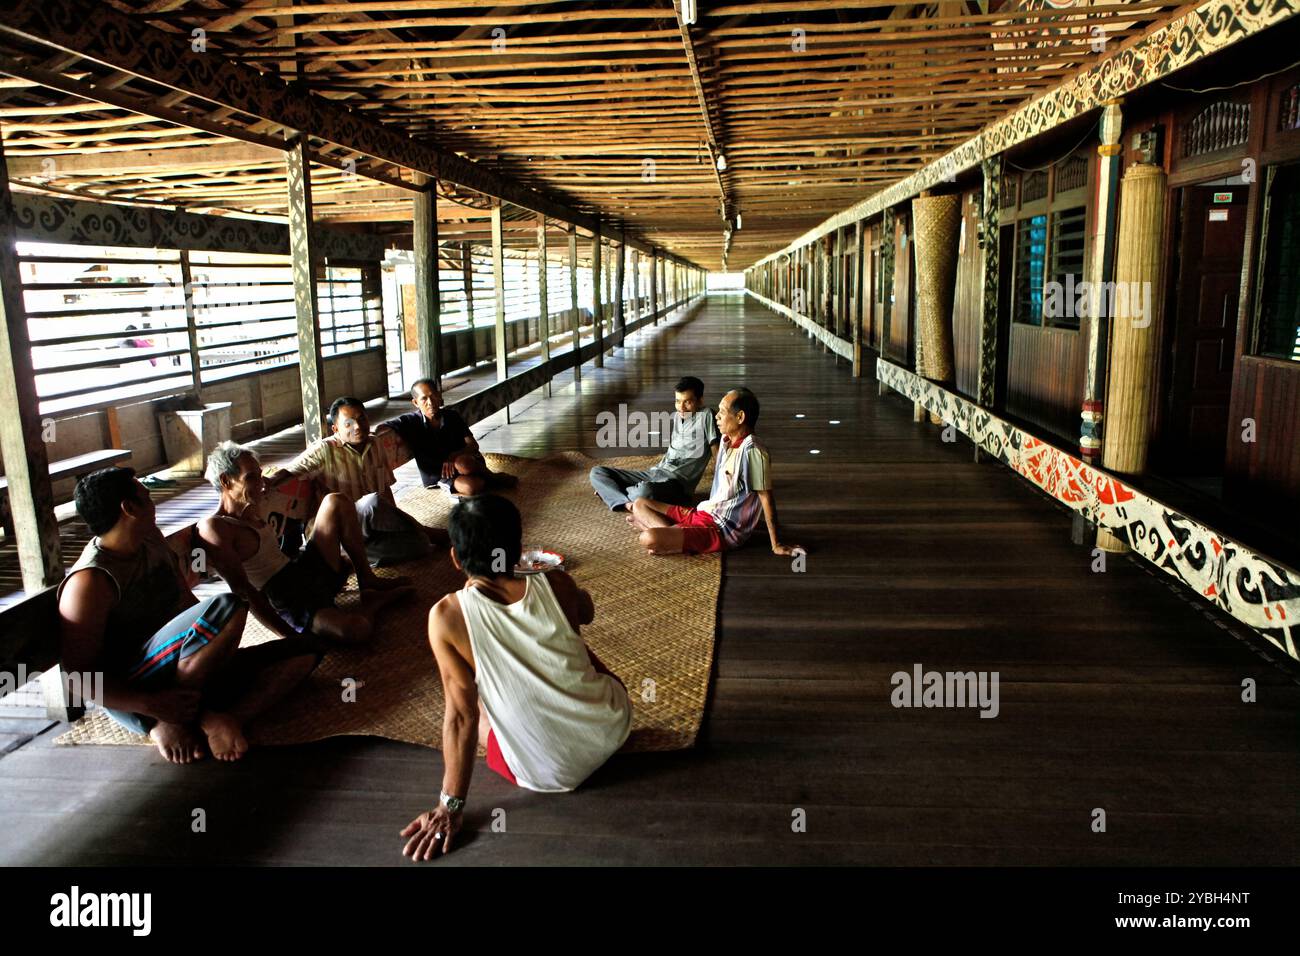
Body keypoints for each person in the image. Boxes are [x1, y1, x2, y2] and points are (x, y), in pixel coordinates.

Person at [400, 495, 631, 860]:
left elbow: (461, 718)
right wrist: (571, 596)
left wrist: (450, 806)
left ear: (456, 559)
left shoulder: (446, 617)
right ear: (519, 549)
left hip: (546, 771)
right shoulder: (557, 582)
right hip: (612, 726)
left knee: (473, 700)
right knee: (567, 646)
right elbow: (585, 613)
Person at [58, 467, 320, 764]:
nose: (153, 503)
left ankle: (222, 720)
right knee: (228, 605)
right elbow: (79, 676)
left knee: (308, 649)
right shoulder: (91, 581)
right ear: (129, 508)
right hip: (142, 683)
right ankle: (174, 718)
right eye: (147, 497)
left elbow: (185, 601)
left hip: (187, 664)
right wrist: (151, 706)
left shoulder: (152, 539)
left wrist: (220, 650)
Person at [197, 441, 411, 645]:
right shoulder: (215, 528)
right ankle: (373, 604)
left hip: (299, 570)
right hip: (285, 596)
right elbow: (243, 591)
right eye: (251, 478)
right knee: (356, 630)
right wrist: (290, 637)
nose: (261, 484)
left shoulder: (251, 503)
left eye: (260, 475)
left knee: (335, 501)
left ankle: (367, 580)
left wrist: (266, 481)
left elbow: (277, 485)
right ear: (226, 481)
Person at [627, 388, 802, 557]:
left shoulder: (753, 451)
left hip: (720, 529)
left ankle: (666, 536)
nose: (716, 416)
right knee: (640, 504)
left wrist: (776, 544)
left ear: (740, 417)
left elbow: (766, 497)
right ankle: (673, 535)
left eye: (722, 412)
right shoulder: (726, 441)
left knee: (648, 538)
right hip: (704, 513)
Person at [273, 396, 441, 566]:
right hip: (336, 534)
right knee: (372, 502)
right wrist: (268, 480)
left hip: (367, 530)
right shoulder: (324, 449)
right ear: (335, 429)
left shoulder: (375, 443)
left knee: (420, 544)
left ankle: (350, 559)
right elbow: (290, 469)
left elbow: (386, 491)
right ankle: (427, 531)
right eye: (348, 424)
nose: (358, 427)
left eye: (362, 419)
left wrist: (392, 526)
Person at [589, 375, 720, 512]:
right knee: (597, 472)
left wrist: (723, 488)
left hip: (677, 485)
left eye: (687, 402)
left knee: (644, 491)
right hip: (655, 473)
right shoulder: (678, 417)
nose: (681, 407)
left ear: (700, 401)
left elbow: (718, 454)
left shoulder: (707, 415)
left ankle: (614, 494)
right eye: (677, 401)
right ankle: (627, 502)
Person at [378, 379, 513, 497]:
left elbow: (473, 445)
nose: (430, 402)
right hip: (440, 473)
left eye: (433, 396)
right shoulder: (410, 422)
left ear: (438, 395)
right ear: (415, 402)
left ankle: (491, 477)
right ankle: (489, 480)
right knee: (471, 487)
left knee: (462, 463)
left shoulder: (452, 416)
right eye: (424, 399)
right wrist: (372, 435)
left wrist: (452, 457)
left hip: (469, 463)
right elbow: (383, 427)